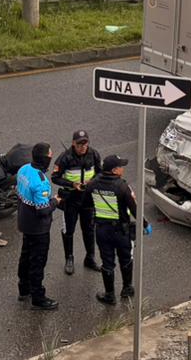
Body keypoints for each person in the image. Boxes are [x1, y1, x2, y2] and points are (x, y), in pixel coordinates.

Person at [85, 154, 137, 305]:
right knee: (126, 258)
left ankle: (109, 295)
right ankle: (127, 288)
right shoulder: (122, 186)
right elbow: (134, 209)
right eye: (120, 167)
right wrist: (145, 224)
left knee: (107, 262)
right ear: (114, 170)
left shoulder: (92, 184)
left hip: (102, 230)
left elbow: (87, 203)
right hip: (121, 231)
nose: (123, 169)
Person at [16, 142, 60, 311]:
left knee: (25, 256)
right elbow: (43, 210)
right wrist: (56, 201)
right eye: (50, 156)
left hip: (24, 221)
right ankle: (38, 297)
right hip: (38, 228)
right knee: (37, 261)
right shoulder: (41, 182)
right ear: (44, 159)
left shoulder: (24, 169)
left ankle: (24, 288)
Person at [52, 129, 101, 275]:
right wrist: (72, 184)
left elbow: (101, 172)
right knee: (68, 230)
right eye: (79, 144)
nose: (82, 147)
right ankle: (69, 258)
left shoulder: (94, 154)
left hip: (88, 199)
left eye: (85, 143)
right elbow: (55, 177)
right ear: (73, 143)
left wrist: (91, 182)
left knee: (89, 230)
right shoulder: (65, 158)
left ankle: (90, 258)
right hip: (70, 200)